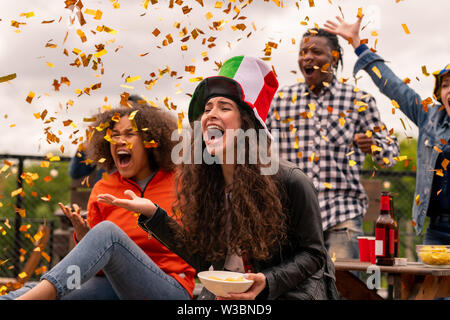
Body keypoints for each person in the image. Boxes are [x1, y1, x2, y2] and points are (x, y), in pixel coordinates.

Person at [97, 56, 339, 300]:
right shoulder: (206, 186)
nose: (211, 114)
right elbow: (203, 259)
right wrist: (153, 214)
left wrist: (266, 283)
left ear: (246, 123)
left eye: (224, 107)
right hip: (226, 295)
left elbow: (314, 254)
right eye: (207, 108)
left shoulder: (291, 180)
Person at [11, 101, 196, 300]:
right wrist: (85, 237)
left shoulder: (182, 183)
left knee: (107, 232)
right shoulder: (103, 188)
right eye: (114, 135)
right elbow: (99, 271)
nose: (120, 141)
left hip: (169, 287)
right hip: (114, 287)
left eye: (129, 134)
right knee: (44, 291)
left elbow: (193, 245)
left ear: (150, 142)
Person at [265, 28, 400, 260]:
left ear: (334, 57)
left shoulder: (359, 100)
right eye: (302, 52)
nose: (307, 57)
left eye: (316, 52)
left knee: (344, 289)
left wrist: (375, 144)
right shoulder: (282, 100)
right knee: (295, 289)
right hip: (293, 214)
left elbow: (391, 155)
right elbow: (261, 145)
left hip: (341, 214)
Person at [324, 15, 450, 244]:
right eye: (445, 85)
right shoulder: (429, 118)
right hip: (437, 229)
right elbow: (395, 87)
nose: (448, 90)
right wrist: (358, 45)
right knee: (431, 281)